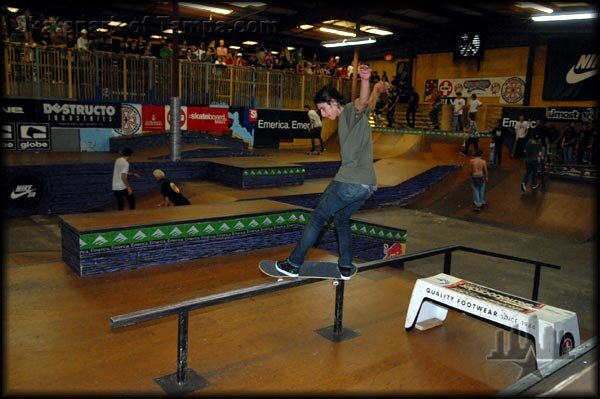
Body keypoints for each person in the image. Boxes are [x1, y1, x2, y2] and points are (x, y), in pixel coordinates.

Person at [275, 64, 385, 280]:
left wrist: (365, 79)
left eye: (324, 109)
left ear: (334, 103)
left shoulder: (351, 112)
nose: (323, 114)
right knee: (342, 218)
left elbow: (362, 102)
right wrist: (376, 90)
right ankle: (345, 266)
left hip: (350, 181)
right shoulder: (357, 117)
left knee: (317, 218)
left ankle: (293, 264)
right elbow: (370, 102)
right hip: (368, 185)